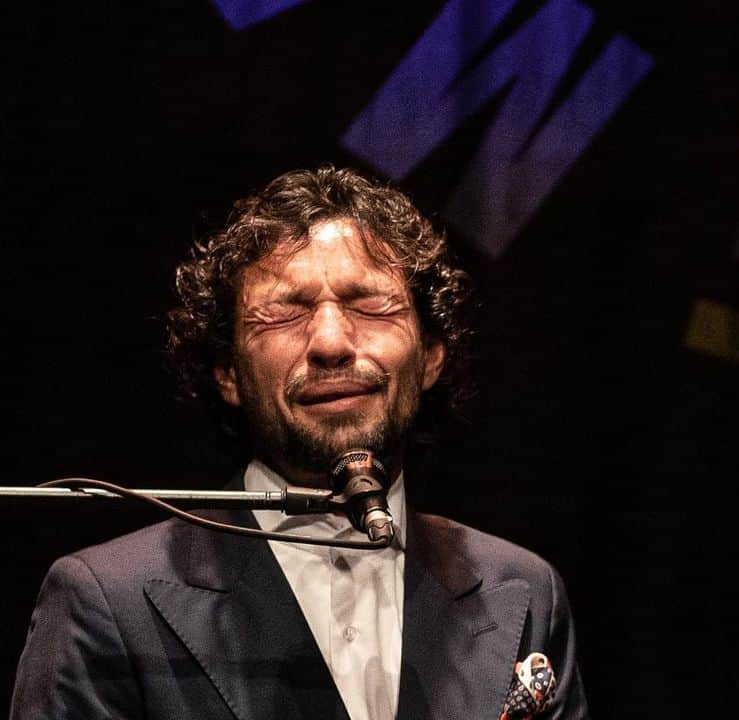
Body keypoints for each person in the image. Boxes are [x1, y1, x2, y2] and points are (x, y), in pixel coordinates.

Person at [10, 165, 589, 720]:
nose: (331, 342)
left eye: (369, 305)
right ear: (228, 372)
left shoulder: (523, 589)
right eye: (285, 313)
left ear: (433, 353)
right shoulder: (106, 600)